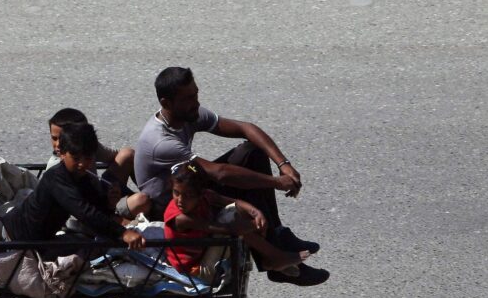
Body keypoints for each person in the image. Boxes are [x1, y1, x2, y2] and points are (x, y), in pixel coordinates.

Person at [134, 66, 328, 286]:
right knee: (241, 180)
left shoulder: (188, 114)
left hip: (189, 186)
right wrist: (276, 183)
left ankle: (277, 235)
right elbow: (220, 174)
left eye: (196, 94)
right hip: (172, 205)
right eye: (189, 98)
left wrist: (284, 164)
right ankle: (274, 253)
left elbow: (245, 128)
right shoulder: (161, 140)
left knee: (252, 152)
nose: (196, 102)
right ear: (166, 103)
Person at [3, 122, 145, 251]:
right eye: (76, 158)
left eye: (88, 158)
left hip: (44, 239)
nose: (82, 164)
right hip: (17, 238)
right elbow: (85, 212)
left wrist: (109, 203)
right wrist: (123, 233)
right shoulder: (56, 178)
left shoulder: (83, 177)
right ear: (62, 154)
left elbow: (96, 209)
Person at [164, 160, 311, 283]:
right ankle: (274, 257)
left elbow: (234, 201)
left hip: (203, 255)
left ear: (201, 194)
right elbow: (225, 229)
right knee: (231, 221)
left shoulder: (205, 196)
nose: (180, 200)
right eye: (176, 193)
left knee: (235, 212)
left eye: (188, 195)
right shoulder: (181, 218)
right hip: (196, 273)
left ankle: (271, 257)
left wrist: (256, 213)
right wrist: (255, 225)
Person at [46, 108, 151, 220]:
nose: (57, 144)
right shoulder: (57, 171)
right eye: (54, 138)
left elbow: (114, 155)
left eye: (88, 158)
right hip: (86, 213)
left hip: (101, 197)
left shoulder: (87, 145)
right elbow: (80, 211)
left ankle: (155, 195)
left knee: (127, 154)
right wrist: (112, 212)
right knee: (142, 201)